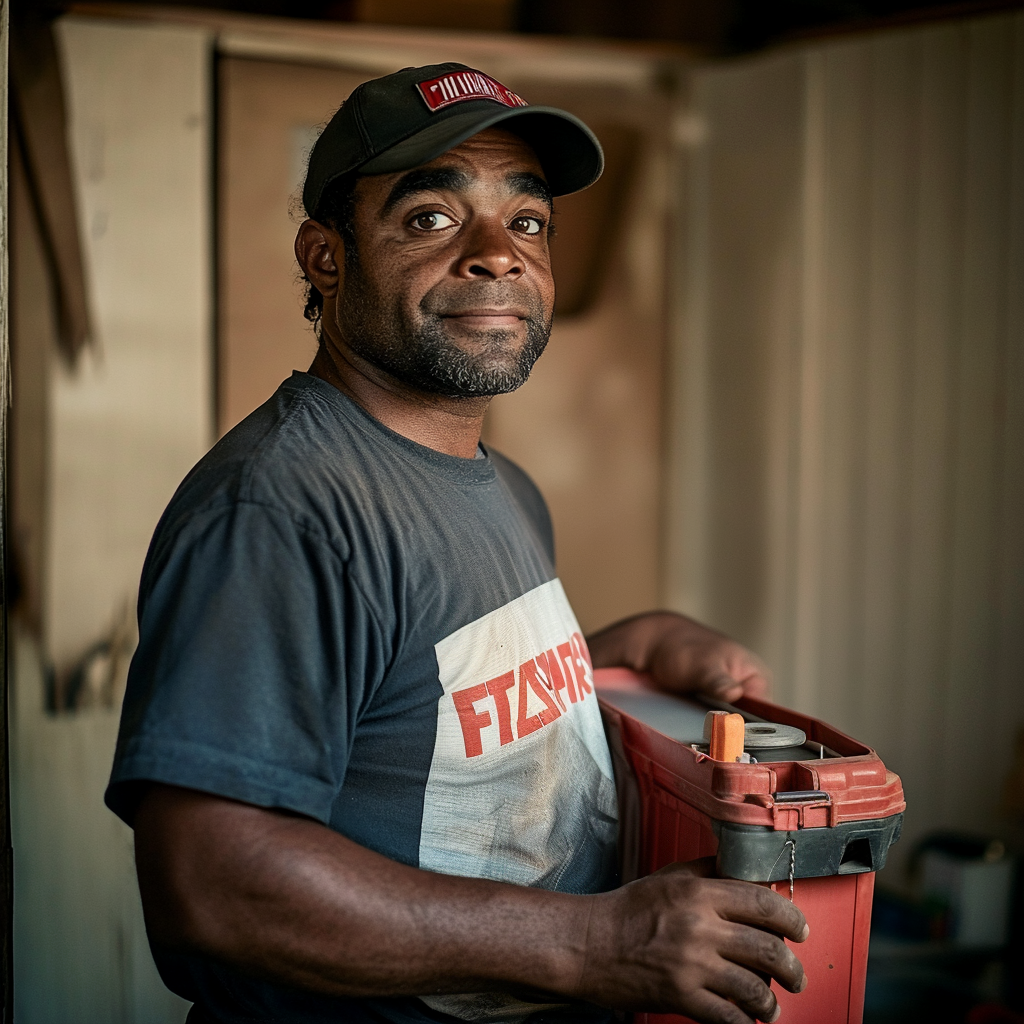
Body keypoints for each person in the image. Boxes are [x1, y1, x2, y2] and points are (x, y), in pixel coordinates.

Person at [106, 63, 808, 1024]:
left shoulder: (502, 485)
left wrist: (609, 654)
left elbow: (414, 705)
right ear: (325, 256)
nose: (498, 255)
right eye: (431, 217)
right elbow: (210, 882)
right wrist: (593, 942)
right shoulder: (284, 509)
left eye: (527, 223)